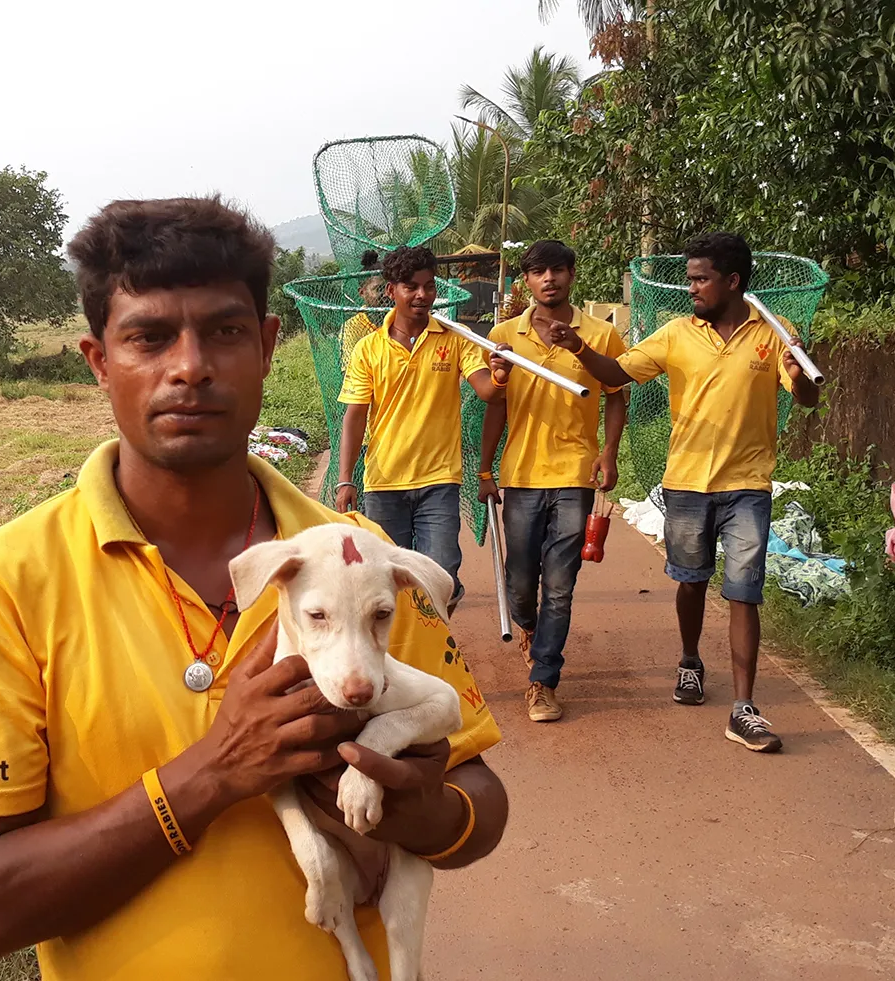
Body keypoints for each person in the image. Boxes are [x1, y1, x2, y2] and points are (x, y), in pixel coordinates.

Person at [0, 197, 508, 981]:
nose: (190, 365)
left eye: (225, 331)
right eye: (150, 336)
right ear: (99, 360)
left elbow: (480, 800)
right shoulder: (2, 582)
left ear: (267, 346)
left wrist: (416, 807)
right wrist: (214, 773)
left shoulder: (359, 561)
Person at [571, 231, 820, 751]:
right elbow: (618, 372)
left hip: (748, 485)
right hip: (685, 484)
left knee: (743, 590)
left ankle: (744, 708)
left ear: (732, 281)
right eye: (690, 279)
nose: (692, 288)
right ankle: (690, 660)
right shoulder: (675, 333)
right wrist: (578, 348)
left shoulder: (773, 332)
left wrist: (800, 375)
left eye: (701, 279)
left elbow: (808, 396)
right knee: (691, 582)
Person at [477, 240, 629, 723]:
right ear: (525, 281)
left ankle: (543, 680)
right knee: (521, 581)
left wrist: (608, 452)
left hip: (575, 474)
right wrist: (485, 468)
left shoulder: (601, 335)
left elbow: (617, 395)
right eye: (538, 272)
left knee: (560, 583)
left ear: (572, 275)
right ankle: (527, 627)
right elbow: (494, 406)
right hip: (521, 475)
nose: (549, 279)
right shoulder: (503, 336)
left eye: (557, 270)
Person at [335, 245, 509, 615]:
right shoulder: (368, 349)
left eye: (429, 286)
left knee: (441, 572)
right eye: (411, 287)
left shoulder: (454, 337)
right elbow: (355, 415)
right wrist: (345, 478)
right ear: (391, 291)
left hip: (439, 480)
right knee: (387, 580)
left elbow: (488, 392)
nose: (422, 295)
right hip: (385, 483)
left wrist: (500, 373)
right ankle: (405, 658)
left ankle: (437, 629)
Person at [339, 249, 386, 372]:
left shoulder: (404, 318)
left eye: (390, 287)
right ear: (362, 293)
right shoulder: (352, 328)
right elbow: (350, 374)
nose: (386, 294)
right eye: (379, 289)